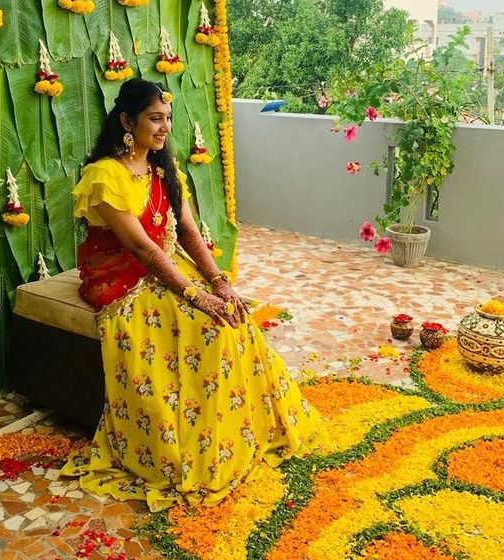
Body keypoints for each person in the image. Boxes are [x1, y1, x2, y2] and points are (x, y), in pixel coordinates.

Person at [61, 79, 326, 510]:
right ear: (127, 121)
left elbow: (185, 230)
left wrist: (220, 283)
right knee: (209, 328)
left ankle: (235, 436)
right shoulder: (104, 175)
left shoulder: (164, 169)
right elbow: (140, 247)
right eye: (154, 118)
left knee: (234, 317)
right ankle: (186, 445)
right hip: (119, 278)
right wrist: (196, 296)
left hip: (162, 269)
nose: (164, 127)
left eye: (167, 118)